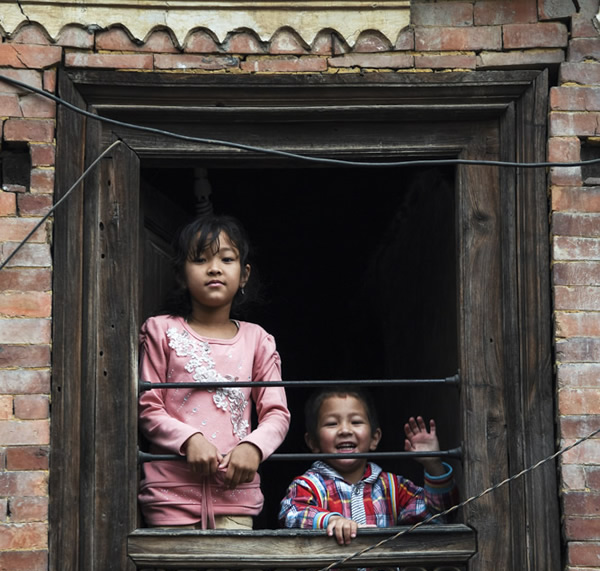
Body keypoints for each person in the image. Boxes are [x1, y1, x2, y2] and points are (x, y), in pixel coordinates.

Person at [138, 214, 290, 529]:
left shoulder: (257, 339)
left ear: (244, 274)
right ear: (181, 274)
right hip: (170, 496)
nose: (214, 268)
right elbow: (148, 405)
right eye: (200, 259)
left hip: (236, 497)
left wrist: (253, 447)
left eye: (227, 258)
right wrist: (188, 439)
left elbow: (277, 413)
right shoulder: (161, 331)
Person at [279, 387, 458, 545]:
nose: (345, 430)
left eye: (356, 422)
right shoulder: (307, 486)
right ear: (313, 442)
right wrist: (331, 520)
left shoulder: (393, 487)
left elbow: (438, 518)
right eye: (332, 423)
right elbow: (291, 513)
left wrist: (433, 464)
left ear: (374, 438)